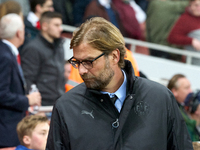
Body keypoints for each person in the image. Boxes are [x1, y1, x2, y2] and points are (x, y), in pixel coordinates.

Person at [46, 17, 193, 149]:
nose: (82, 70)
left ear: (114, 56)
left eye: (89, 62)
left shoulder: (160, 98)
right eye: (76, 62)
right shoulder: (66, 107)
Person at [0, 14, 41, 148]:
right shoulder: (5, 56)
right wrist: (27, 100)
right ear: (19, 33)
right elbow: (1, 94)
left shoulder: (6, 52)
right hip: (6, 131)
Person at [21, 11, 65, 106]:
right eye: (56, 25)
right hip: (42, 106)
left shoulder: (59, 47)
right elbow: (28, 79)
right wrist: (36, 105)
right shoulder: (32, 49)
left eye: (60, 25)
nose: (60, 29)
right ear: (44, 26)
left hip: (58, 103)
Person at [168, 0, 200, 66]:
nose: (199, 8)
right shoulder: (185, 19)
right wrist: (191, 41)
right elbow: (172, 37)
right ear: (190, 6)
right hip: (194, 60)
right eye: (196, 5)